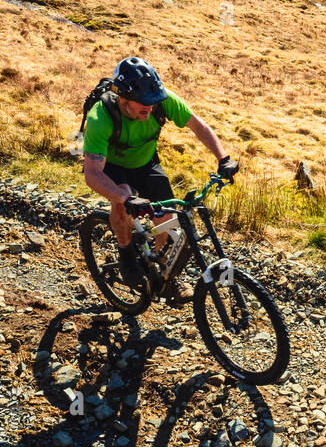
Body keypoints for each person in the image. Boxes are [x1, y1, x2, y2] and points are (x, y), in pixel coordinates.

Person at [81, 57, 237, 289]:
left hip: (145, 162)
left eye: (153, 101)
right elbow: (92, 173)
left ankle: (160, 275)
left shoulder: (162, 100)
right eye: (143, 102)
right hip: (111, 166)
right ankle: (125, 256)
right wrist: (125, 198)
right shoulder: (101, 116)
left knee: (167, 220)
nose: (150, 106)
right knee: (122, 201)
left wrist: (223, 158)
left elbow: (199, 126)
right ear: (124, 97)